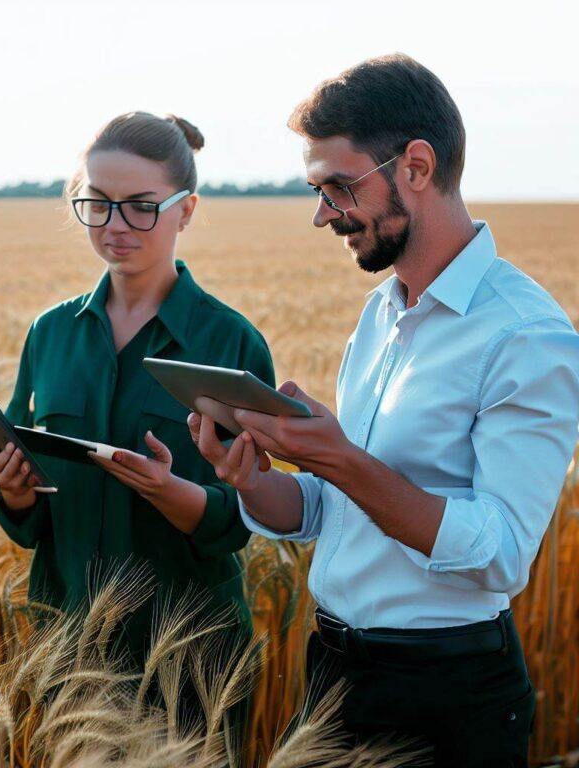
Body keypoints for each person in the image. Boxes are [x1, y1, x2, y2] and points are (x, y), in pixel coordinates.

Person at [187, 54, 579, 767]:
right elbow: (332, 510)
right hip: (333, 674)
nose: (321, 215)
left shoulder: (527, 336)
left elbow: (498, 552)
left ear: (417, 167)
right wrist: (251, 478)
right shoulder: (381, 311)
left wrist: (336, 455)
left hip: (446, 694)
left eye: (338, 186)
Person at [0, 112, 274, 671]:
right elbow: (31, 513)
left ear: (185, 210)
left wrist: (170, 492)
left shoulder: (228, 341)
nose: (115, 225)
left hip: (189, 657)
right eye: (97, 203)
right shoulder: (50, 332)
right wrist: (13, 491)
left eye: (142, 206)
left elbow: (246, 516)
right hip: (64, 646)